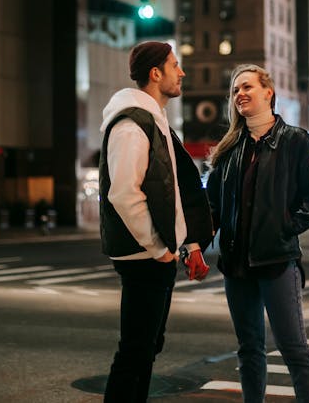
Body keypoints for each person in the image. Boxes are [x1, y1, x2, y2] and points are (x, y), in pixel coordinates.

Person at [206, 64, 309, 403]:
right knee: (249, 350)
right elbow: (212, 206)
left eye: (247, 87)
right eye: (235, 90)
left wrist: (285, 228)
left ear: (267, 92)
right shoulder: (229, 149)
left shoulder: (295, 141)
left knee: (294, 348)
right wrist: (196, 245)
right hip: (236, 265)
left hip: (277, 261)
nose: (240, 94)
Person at [99, 41, 213, 402]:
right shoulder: (133, 125)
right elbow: (124, 193)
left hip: (157, 256)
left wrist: (187, 243)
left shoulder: (155, 121)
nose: (181, 73)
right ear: (155, 73)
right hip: (144, 257)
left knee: (147, 348)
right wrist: (158, 247)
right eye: (175, 66)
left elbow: (174, 191)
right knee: (134, 352)